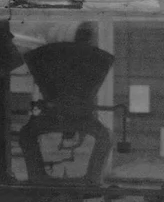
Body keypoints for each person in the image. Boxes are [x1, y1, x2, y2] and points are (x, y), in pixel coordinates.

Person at [18, 23, 114, 187]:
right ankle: (92, 180)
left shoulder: (50, 58)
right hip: (74, 110)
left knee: (28, 133)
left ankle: (39, 178)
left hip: (56, 108)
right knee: (104, 135)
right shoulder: (91, 63)